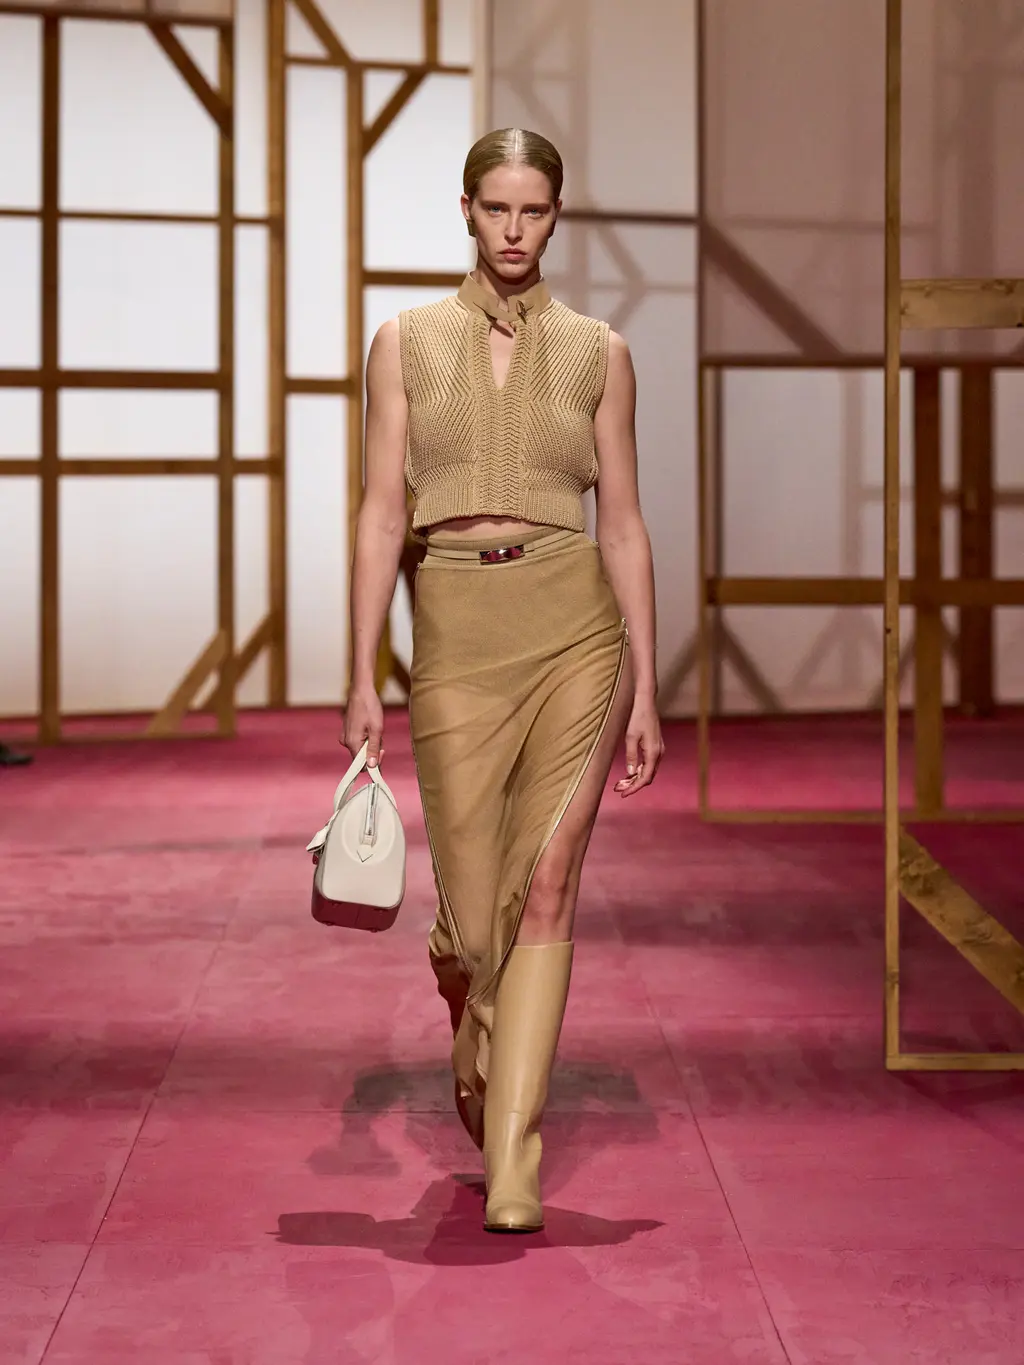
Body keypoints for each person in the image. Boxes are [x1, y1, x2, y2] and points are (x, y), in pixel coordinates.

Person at [344, 127, 663, 1233]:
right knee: (472, 921)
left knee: (550, 877)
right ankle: (473, 1015)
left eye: (534, 211)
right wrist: (360, 673)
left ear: (556, 216)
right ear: (467, 211)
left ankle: (512, 1154)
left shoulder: (598, 352)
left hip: (576, 628)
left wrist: (649, 685)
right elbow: (381, 512)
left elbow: (624, 524)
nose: (514, 230)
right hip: (455, 630)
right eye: (496, 209)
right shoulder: (405, 342)